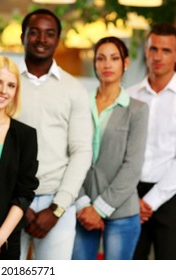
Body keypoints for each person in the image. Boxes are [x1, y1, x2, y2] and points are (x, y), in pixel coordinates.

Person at [16, 8, 93, 260]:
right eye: (34, 32)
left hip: (57, 200)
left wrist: (58, 208)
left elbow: (82, 151)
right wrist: (17, 202)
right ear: (23, 36)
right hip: (11, 199)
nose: (41, 39)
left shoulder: (74, 89)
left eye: (49, 34)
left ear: (57, 40)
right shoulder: (6, 83)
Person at [72, 36, 149, 260]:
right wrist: (83, 203)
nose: (107, 64)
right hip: (81, 209)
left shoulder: (137, 109)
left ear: (125, 63)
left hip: (122, 210)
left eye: (114, 58)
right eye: (101, 58)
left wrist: (100, 208)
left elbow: (133, 165)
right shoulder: (79, 105)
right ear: (94, 63)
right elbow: (69, 156)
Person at [0, 56, 39, 259]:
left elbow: (24, 194)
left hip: (4, 238)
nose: (3, 91)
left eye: (11, 85)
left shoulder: (25, 136)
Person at [128, 23, 176, 260]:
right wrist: (132, 197)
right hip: (129, 195)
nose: (158, 57)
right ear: (146, 51)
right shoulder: (129, 96)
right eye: (153, 49)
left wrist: (150, 201)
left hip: (170, 196)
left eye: (166, 51)